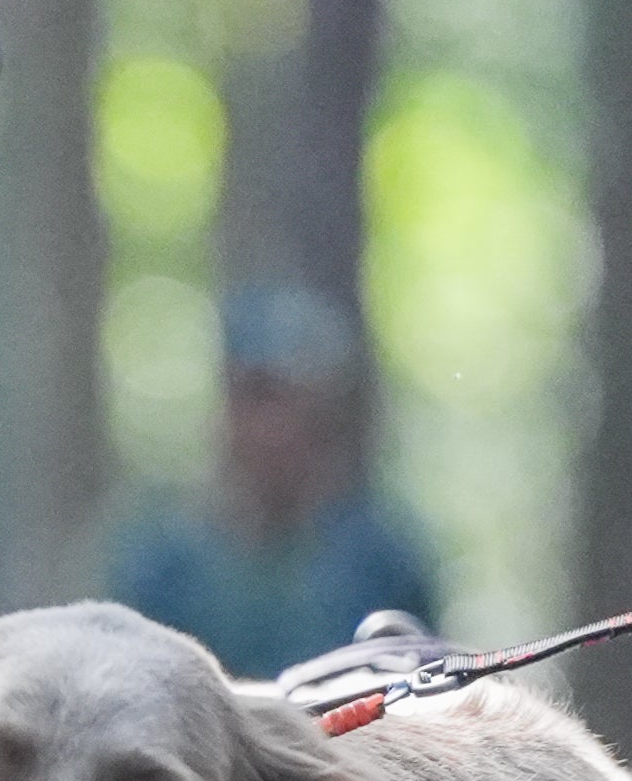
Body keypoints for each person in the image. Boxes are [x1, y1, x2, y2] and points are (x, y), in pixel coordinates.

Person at [109, 283, 440, 677]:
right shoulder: (161, 564)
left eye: (290, 402)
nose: (272, 428)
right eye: (254, 399)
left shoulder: (381, 561)